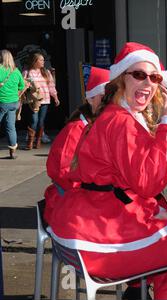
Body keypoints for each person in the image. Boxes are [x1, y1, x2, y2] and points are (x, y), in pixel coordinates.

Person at [48, 42, 167, 300]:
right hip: (97, 242)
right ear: (120, 80)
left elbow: (143, 166)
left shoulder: (117, 116)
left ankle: (141, 293)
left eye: (154, 77)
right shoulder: (120, 121)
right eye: (138, 74)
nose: (148, 82)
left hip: (81, 229)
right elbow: (149, 183)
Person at [43, 66, 110, 227]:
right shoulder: (77, 128)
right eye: (103, 97)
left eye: (112, 97)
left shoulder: (103, 126)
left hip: (90, 200)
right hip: (70, 205)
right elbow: (61, 171)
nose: (108, 102)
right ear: (90, 98)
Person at [22, 52, 60, 150]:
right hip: (33, 100)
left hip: (45, 99)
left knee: (41, 121)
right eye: (41, 60)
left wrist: (55, 97)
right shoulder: (27, 72)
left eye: (43, 60)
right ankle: (30, 141)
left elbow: (51, 86)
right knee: (34, 120)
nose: (43, 62)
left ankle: (38, 141)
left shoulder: (46, 72)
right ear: (35, 61)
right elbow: (22, 85)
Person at [0, 49, 26, 159]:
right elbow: (22, 86)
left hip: (1, 102)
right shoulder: (16, 71)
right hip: (14, 103)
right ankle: (12, 152)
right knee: (11, 127)